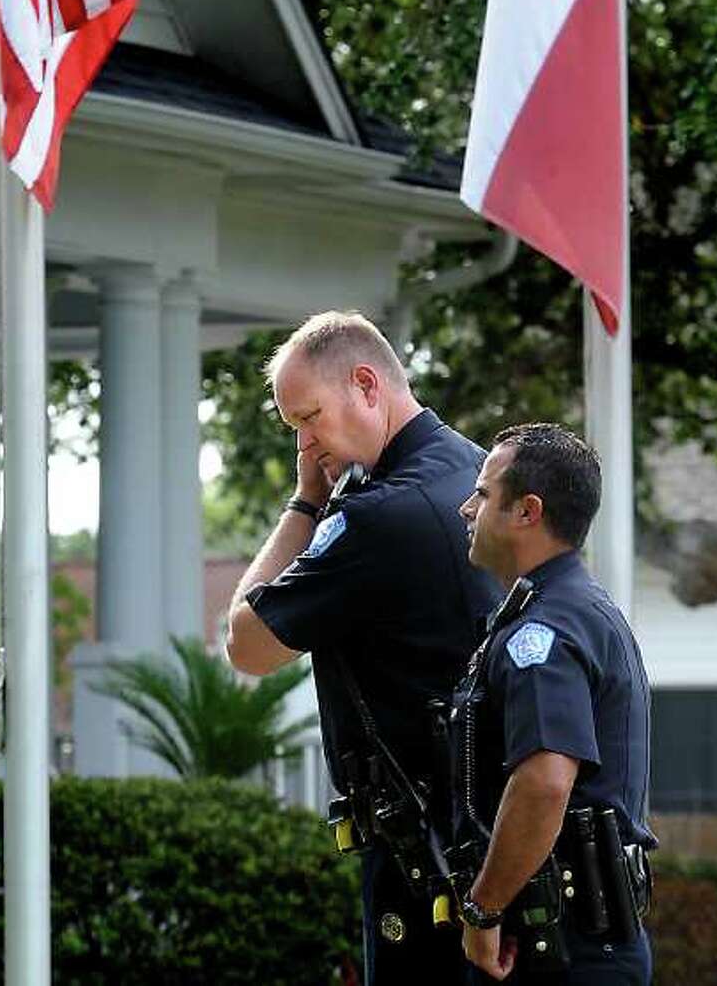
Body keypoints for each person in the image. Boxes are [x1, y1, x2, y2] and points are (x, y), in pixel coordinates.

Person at [226, 311, 500, 984]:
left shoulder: (376, 517)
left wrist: (303, 505)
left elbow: (247, 644)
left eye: (310, 416)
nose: (306, 442)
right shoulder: (482, 474)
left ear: (367, 384)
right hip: (497, 841)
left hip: (425, 853)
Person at [452, 423, 655, 984]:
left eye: (485, 494)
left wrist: (483, 908)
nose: (468, 508)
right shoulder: (579, 609)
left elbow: (545, 782)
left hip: (557, 955)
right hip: (583, 945)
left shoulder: (542, 633)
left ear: (526, 511)